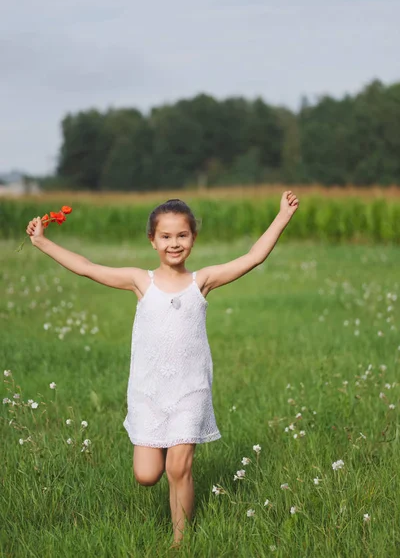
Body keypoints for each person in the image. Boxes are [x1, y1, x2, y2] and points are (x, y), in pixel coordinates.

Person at [25, 190, 299, 548]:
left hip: (189, 390)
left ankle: (180, 542)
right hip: (149, 393)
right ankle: (171, 450)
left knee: (178, 469)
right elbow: (87, 267)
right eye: (166, 236)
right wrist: (42, 242)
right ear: (152, 240)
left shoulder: (202, 281)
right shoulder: (141, 282)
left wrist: (282, 216)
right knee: (146, 474)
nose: (174, 243)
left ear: (193, 239)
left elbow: (253, 257)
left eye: (182, 235)